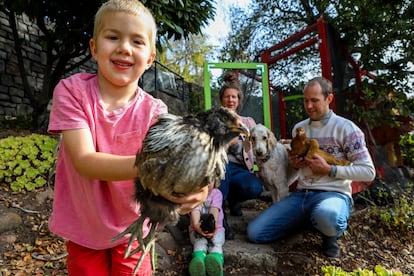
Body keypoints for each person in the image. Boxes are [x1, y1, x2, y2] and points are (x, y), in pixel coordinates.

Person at [47, 1, 208, 275]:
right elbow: (84, 161)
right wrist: (154, 167)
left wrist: (195, 190)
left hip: (134, 227)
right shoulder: (72, 92)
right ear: (94, 48)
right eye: (113, 37)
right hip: (84, 226)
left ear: (150, 58)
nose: (124, 47)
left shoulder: (156, 112)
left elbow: (176, 168)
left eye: (136, 41)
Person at [247, 77, 376, 258]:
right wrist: (294, 164)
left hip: (333, 193)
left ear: (329, 99)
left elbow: (368, 172)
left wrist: (330, 170)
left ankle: (330, 233)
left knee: (327, 216)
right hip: (301, 195)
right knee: (255, 233)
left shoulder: (347, 129)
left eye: (314, 100)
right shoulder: (298, 128)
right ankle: (305, 221)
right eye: (306, 100)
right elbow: (293, 165)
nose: (308, 106)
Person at [218, 71, 264, 239]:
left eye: (234, 97)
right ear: (221, 100)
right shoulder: (215, 120)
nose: (231, 100)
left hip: (240, 168)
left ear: (238, 101)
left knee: (254, 188)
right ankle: (221, 220)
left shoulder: (248, 122)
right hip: (220, 166)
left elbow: (258, 144)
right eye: (227, 97)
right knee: (222, 174)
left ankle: (234, 199)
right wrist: (228, 141)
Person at [188, 183, 225, 276]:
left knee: (216, 243)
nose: (207, 184)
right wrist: (197, 226)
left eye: (210, 180)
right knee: (199, 242)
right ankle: (199, 262)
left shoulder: (216, 193)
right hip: (197, 230)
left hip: (217, 229)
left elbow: (214, 210)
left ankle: (216, 261)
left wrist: (214, 225)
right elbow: (195, 211)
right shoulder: (194, 195)